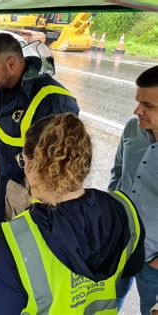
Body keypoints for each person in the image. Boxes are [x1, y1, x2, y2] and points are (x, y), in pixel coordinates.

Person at [0, 113, 145, 314]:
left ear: (32, 166)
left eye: (23, 160)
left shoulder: (19, 239)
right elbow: (132, 267)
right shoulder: (124, 208)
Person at [0, 33, 79, 229]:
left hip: (35, 196)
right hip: (8, 180)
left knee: (27, 251)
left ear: (11, 63)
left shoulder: (53, 100)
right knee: (4, 238)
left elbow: (62, 166)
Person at [109, 65, 158, 314]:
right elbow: (117, 173)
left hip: (154, 261)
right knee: (105, 305)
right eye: (138, 102)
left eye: (148, 106)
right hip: (119, 244)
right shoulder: (132, 128)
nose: (137, 111)